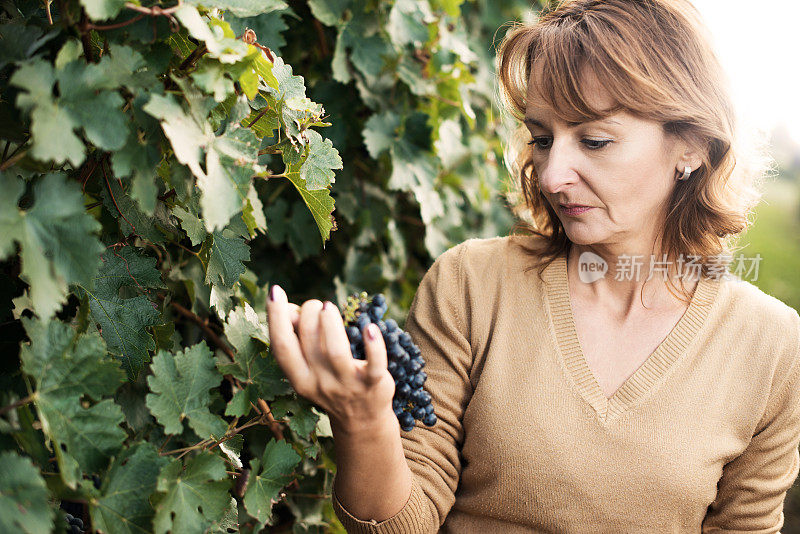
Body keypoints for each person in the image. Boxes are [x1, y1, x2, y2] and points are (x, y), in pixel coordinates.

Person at [265, 0, 800, 531]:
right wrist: (362, 422)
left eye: (594, 140)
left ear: (691, 146)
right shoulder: (471, 285)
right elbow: (405, 521)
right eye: (542, 139)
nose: (550, 175)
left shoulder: (771, 346)